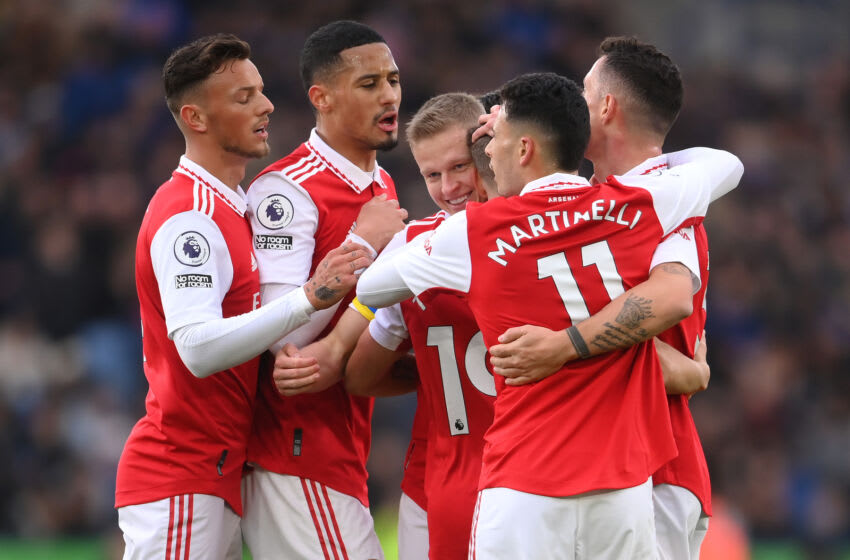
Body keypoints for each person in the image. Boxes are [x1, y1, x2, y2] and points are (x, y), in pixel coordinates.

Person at [357, 72, 743, 559]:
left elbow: (372, 286)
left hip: (523, 481)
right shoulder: (634, 204)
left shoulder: (471, 234)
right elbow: (724, 164)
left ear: (523, 150)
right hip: (620, 486)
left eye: (493, 141)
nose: (487, 156)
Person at [115, 34, 374, 560]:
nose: (266, 105)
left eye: (260, 91)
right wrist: (309, 297)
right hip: (182, 472)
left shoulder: (232, 208)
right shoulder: (192, 217)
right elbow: (197, 347)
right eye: (243, 97)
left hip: (217, 473)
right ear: (196, 118)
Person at [485, 37, 714, 559]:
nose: (572, 102)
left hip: (654, 466)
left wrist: (564, 340)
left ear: (606, 107)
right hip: (591, 463)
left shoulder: (670, 201)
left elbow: (671, 304)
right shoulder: (592, 205)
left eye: (584, 92)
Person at [272, 92, 497, 560]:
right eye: (432, 175)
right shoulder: (556, 229)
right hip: (474, 479)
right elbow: (347, 366)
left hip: (457, 478)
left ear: (487, 149)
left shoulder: (411, 250)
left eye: (459, 167)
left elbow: (347, 362)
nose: (448, 187)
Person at [240, 20, 406, 560]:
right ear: (323, 98)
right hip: (295, 446)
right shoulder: (286, 190)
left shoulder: (379, 183)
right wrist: (363, 243)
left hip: (340, 444)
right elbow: (277, 338)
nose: (389, 95)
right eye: (369, 84)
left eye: (393, 79)